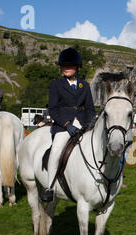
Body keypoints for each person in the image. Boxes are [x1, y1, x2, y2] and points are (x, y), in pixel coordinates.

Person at [40, 47, 96, 202]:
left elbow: (90, 108)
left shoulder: (84, 85)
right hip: (63, 125)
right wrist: (66, 124)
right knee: (56, 151)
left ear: (77, 68)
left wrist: (90, 124)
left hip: (83, 124)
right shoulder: (56, 84)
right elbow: (52, 108)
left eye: (70, 66)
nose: (66, 68)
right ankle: (49, 187)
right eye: (64, 66)